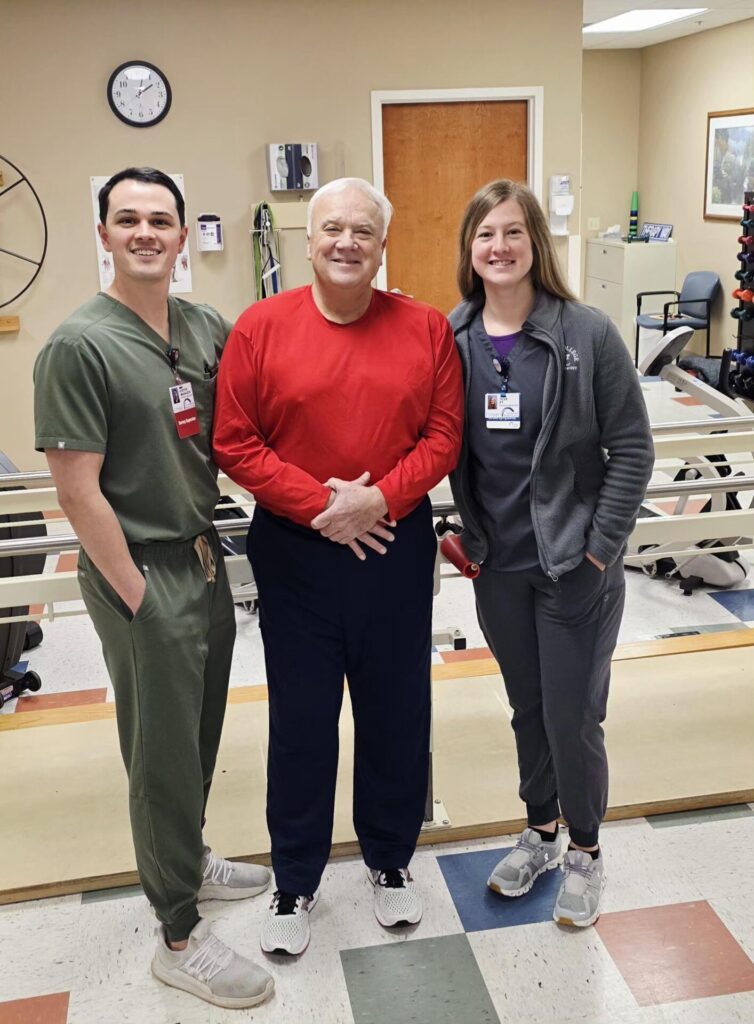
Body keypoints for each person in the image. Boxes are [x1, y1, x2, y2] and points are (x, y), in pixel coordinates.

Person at [33, 167, 274, 1009]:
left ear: (181, 236)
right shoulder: (79, 345)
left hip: (203, 556)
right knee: (159, 752)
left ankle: (189, 854)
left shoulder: (205, 326)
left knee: (197, 732)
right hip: (141, 568)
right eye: (127, 218)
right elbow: (75, 489)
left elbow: (240, 433)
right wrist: (136, 593)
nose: (145, 232)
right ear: (102, 233)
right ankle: (176, 931)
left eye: (160, 220)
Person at [212, 177, 463, 956]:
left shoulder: (424, 329)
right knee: (303, 721)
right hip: (295, 554)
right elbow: (234, 440)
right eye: (332, 229)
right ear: (308, 241)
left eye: (363, 230)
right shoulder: (259, 327)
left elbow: (444, 434)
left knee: (395, 713)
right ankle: (295, 881)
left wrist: (378, 500)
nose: (347, 242)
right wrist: (326, 505)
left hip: (393, 549)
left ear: (382, 244)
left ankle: (390, 864)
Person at [448, 179, 654, 927]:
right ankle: (540, 831)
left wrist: (600, 550)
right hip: (498, 568)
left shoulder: (586, 333)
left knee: (572, 716)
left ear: (535, 241)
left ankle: (587, 852)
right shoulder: (454, 338)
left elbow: (632, 449)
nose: (498, 248)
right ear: (469, 252)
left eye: (511, 232)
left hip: (574, 567)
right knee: (527, 709)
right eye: (483, 236)